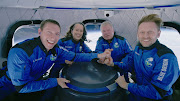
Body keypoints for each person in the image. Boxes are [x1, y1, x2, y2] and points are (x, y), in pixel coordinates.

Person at [2, 19, 110, 101]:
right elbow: (22, 87)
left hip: (35, 84)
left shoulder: (56, 50)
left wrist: (99, 56)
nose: (53, 38)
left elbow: (76, 56)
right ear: (40, 32)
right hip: (8, 86)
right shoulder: (20, 52)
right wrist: (56, 81)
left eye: (57, 34)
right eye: (49, 32)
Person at [104, 14, 180, 101]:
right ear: (138, 34)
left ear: (158, 34)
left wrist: (126, 85)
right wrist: (113, 64)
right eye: (142, 32)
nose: (145, 36)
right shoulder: (138, 48)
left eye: (150, 32)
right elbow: (129, 65)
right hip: (137, 95)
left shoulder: (166, 58)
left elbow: (157, 92)